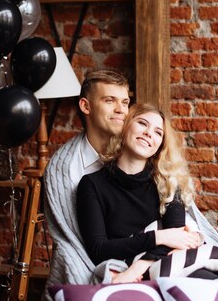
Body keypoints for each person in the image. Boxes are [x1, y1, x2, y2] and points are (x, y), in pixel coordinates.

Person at [26, 69, 131, 301]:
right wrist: (109, 277)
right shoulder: (65, 168)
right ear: (86, 106)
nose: (121, 110)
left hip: (142, 251)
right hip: (94, 257)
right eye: (110, 101)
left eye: (125, 102)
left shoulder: (136, 149)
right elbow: (71, 241)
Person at [76, 102, 202, 283]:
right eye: (142, 123)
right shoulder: (92, 185)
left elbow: (179, 238)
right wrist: (159, 236)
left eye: (158, 132)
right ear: (125, 127)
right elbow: (98, 249)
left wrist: (137, 268)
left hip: (168, 269)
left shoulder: (169, 183)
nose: (149, 133)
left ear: (160, 145)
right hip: (139, 273)